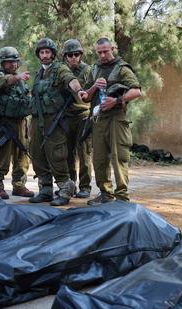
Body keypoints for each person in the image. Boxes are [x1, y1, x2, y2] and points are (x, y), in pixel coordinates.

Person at [28, 38, 88, 206]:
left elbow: (71, 80)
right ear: (39, 55)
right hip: (37, 119)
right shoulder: (38, 73)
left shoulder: (60, 69)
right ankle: (45, 189)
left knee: (57, 154)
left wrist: (80, 90)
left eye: (48, 52)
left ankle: (66, 188)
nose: (45, 55)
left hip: (54, 119)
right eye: (42, 52)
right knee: (37, 153)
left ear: (53, 54)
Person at [81, 38, 142, 205]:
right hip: (98, 119)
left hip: (116, 118)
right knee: (99, 159)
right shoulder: (94, 69)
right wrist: (94, 86)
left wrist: (116, 101)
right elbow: (85, 96)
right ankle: (105, 194)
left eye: (105, 51)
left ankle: (122, 197)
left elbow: (136, 91)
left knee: (118, 156)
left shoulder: (122, 68)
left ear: (113, 49)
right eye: (99, 52)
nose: (102, 55)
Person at [0, 46, 34, 199]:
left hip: (21, 121)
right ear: (2, 63)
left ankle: (19, 185)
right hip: (4, 123)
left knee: (22, 154)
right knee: (3, 156)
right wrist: (18, 77)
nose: (13, 65)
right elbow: (1, 82)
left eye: (15, 62)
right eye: (9, 62)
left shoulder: (20, 80)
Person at [61, 39, 93, 199]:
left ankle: (85, 186)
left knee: (84, 152)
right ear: (65, 56)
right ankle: (70, 185)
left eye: (76, 54)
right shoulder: (61, 70)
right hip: (66, 116)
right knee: (67, 153)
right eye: (70, 55)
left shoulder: (88, 70)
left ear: (80, 55)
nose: (73, 57)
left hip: (83, 115)